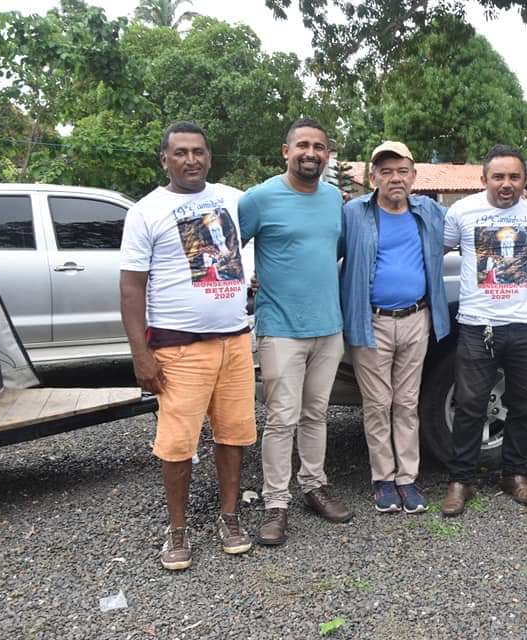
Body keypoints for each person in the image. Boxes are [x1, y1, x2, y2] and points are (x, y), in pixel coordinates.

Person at [119, 121, 255, 570]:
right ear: (165, 159)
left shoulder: (232, 200)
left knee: (233, 434)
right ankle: (177, 531)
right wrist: (141, 354)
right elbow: (132, 288)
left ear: (209, 157)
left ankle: (230, 518)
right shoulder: (146, 212)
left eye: (198, 151)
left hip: (234, 342)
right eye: (180, 153)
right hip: (179, 349)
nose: (191, 160)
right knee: (177, 444)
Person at [239, 118, 351, 546]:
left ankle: (314, 486)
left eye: (319, 147)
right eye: (302, 145)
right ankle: (275, 503)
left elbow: (332, 251)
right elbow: (231, 249)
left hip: (328, 326)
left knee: (316, 413)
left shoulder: (332, 200)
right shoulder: (260, 198)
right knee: (281, 418)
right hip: (281, 328)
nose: (311, 153)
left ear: (328, 154)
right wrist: (251, 279)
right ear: (285, 151)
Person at [441, 145, 527, 516]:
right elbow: (437, 249)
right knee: (470, 405)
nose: (506, 184)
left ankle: (515, 473)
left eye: (514, 177)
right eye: (498, 177)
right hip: (478, 325)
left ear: (524, 180)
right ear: (484, 178)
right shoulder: (461, 212)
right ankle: (462, 479)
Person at [340, 140, 449, 514]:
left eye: (402, 170)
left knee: (406, 403)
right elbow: (324, 250)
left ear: (414, 175)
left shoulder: (430, 212)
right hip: (372, 322)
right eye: (386, 171)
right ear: (373, 177)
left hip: (417, 319)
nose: (395, 178)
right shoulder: (354, 213)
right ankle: (382, 478)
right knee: (377, 403)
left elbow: (466, 235)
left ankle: (408, 478)